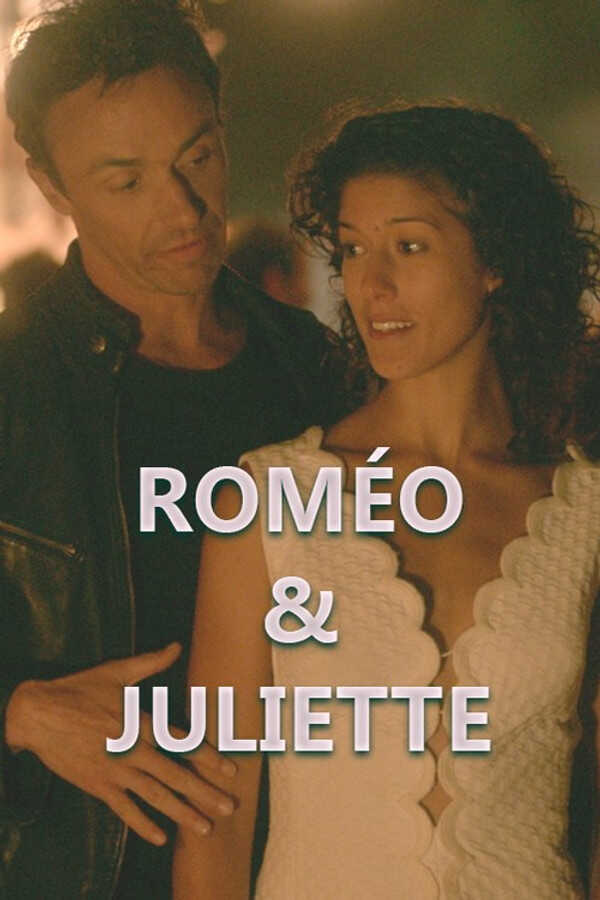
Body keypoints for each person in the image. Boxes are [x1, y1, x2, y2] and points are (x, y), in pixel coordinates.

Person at [173, 102, 600, 898]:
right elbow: (214, 821)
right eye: (354, 248)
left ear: (495, 260)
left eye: (409, 245)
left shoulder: (585, 513)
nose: (372, 285)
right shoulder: (267, 499)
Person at [0, 1, 352, 897]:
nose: (184, 209)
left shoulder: (318, 371)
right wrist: (21, 714)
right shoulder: (16, 387)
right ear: (51, 184)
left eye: (197, 157)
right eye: (125, 182)